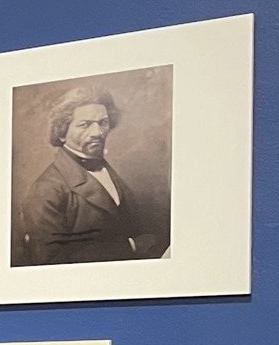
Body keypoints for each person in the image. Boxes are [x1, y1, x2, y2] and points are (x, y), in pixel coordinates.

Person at [14, 84, 167, 264]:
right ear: (62, 132)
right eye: (85, 125)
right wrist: (130, 247)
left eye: (103, 123)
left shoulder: (107, 169)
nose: (97, 133)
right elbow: (50, 260)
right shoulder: (45, 192)